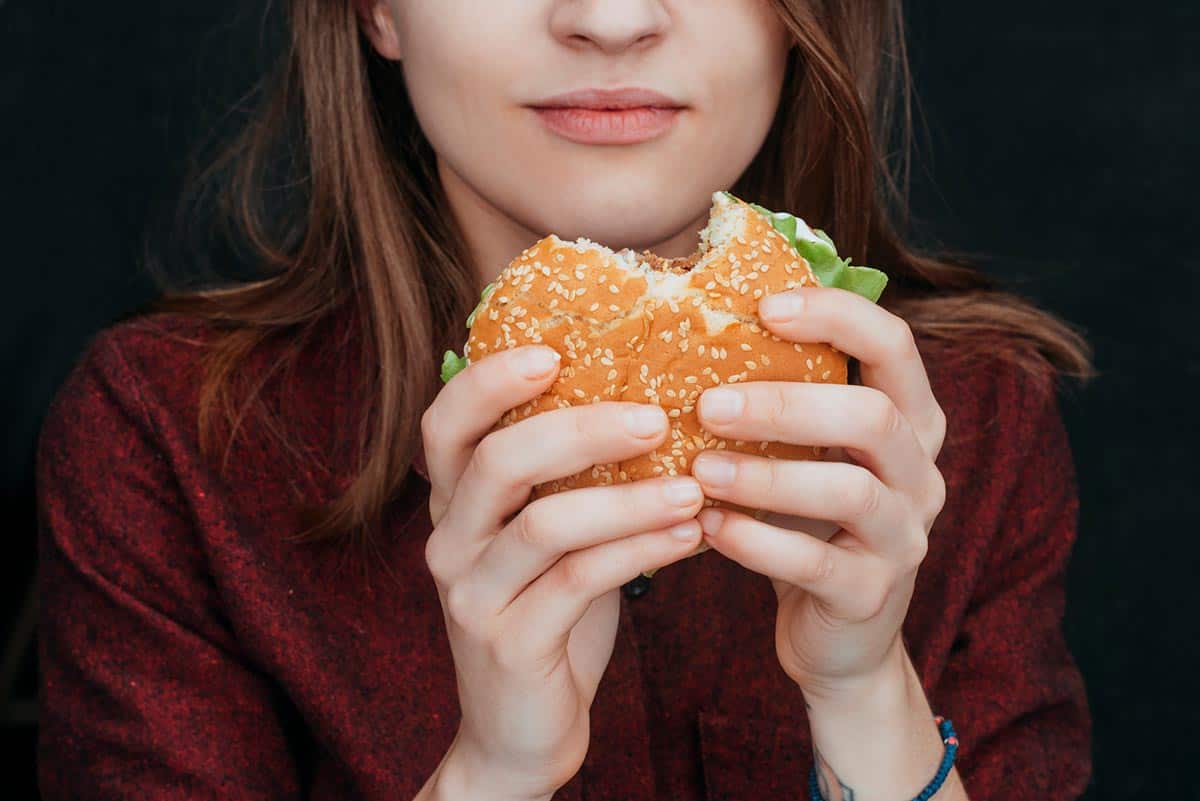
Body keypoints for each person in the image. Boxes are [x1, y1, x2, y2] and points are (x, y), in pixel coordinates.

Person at [34, 1, 1098, 800]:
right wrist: (495, 770)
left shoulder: (974, 418)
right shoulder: (170, 434)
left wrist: (868, 700)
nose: (611, 20)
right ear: (377, 10)